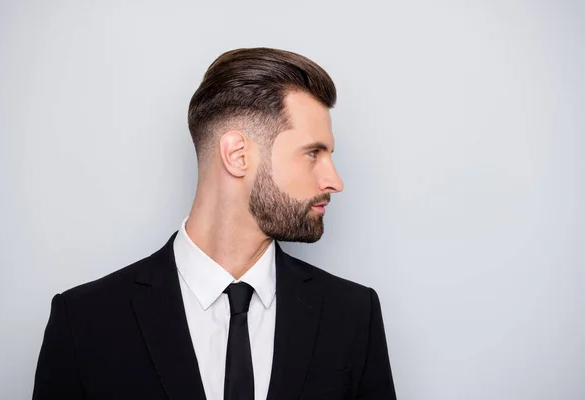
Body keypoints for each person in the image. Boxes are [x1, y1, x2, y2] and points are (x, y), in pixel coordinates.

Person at [33, 47, 397, 400]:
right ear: (238, 155)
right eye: (313, 153)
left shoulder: (352, 315)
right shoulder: (84, 322)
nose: (334, 181)